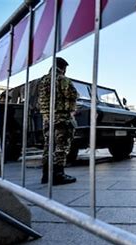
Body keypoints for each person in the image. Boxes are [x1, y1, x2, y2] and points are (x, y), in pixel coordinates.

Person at [39, 57, 78, 185]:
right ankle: (58, 175)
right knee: (61, 146)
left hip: (46, 118)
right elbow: (73, 94)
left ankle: (46, 175)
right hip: (61, 118)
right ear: (63, 67)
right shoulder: (62, 79)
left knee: (48, 146)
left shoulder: (43, 80)